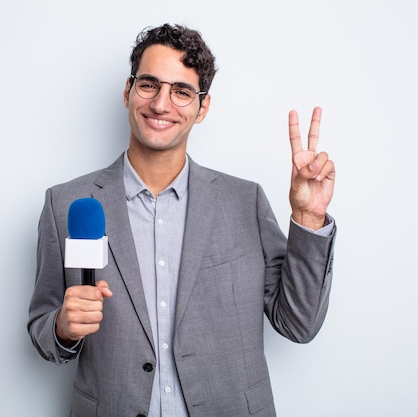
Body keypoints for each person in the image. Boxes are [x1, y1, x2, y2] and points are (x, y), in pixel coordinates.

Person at [28, 23, 336, 417]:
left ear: (202, 107)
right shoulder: (67, 204)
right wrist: (62, 327)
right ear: (128, 91)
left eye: (181, 91)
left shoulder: (245, 201)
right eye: (149, 85)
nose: (161, 104)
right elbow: (42, 328)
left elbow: (298, 325)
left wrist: (309, 218)